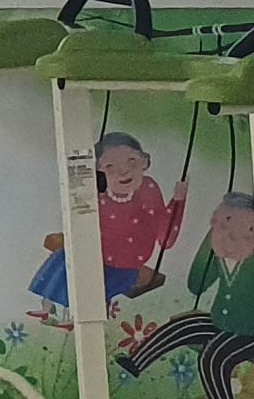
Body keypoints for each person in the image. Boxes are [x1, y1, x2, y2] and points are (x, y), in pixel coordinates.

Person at [118, 179, 254, 399]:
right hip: (220, 322)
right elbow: (196, 284)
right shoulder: (220, 255)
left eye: (246, 230)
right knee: (181, 326)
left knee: (212, 358)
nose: (231, 235)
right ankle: (135, 363)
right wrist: (209, 245)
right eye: (224, 224)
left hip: (253, 332)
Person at [28, 131, 181, 328]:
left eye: (131, 161)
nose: (123, 172)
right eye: (110, 166)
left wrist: (178, 201)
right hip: (96, 253)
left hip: (125, 265)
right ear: (98, 172)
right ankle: (47, 306)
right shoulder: (99, 192)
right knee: (62, 259)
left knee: (89, 280)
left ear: (145, 162)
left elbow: (165, 237)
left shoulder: (147, 189)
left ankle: (74, 317)